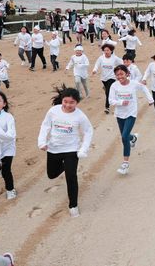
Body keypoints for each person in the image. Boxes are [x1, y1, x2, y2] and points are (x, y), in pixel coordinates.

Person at [38, 86, 93, 217]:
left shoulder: (80, 116)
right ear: (62, 100)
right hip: (54, 148)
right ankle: (66, 167)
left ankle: (73, 205)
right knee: (51, 174)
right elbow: (45, 126)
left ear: (77, 103)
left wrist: (83, 149)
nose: (68, 105)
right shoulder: (53, 111)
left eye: (72, 102)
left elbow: (88, 131)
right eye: (66, 101)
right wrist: (42, 141)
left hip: (71, 150)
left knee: (71, 177)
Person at [108, 65, 153, 175]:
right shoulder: (114, 86)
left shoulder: (133, 84)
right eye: (117, 75)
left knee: (124, 137)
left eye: (121, 74)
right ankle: (133, 138)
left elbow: (143, 87)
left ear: (127, 73)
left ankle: (125, 164)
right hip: (119, 114)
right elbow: (111, 101)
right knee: (126, 135)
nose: (119, 77)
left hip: (131, 114)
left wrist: (150, 99)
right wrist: (121, 102)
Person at [92, 43, 123, 114]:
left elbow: (122, 62)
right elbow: (97, 65)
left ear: (111, 51)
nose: (106, 52)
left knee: (108, 93)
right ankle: (108, 90)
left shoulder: (114, 58)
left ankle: (107, 107)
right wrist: (95, 70)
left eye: (108, 50)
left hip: (112, 77)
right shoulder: (101, 58)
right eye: (105, 50)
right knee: (108, 90)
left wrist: (125, 67)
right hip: (103, 78)